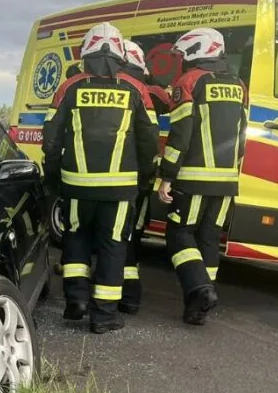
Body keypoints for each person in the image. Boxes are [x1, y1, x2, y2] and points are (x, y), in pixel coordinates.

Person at [41, 22, 160, 334]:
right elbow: (149, 139)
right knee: (112, 246)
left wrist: (53, 175)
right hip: (120, 189)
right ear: (120, 55)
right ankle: (104, 315)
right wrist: (145, 177)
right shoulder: (136, 89)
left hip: (77, 185)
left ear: (86, 52)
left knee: (76, 238)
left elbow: (50, 137)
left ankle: (75, 301)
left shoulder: (69, 88)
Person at [158, 27, 249, 326]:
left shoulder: (190, 82)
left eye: (183, 55)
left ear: (196, 51)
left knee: (179, 234)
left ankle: (199, 289)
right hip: (227, 180)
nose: (182, 61)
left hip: (193, 178)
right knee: (209, 238)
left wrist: (167, 176)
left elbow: (180, 135)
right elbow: (242, 135)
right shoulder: (239, 85)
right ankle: (198, 307)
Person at [116, 40, 171, 315]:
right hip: (138, 178)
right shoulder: (147, 91)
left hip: (110, 177)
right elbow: (165, 99)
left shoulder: (106, 84)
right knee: (131, 235)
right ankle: (128, 295)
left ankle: (109, 288)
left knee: (110, 235)